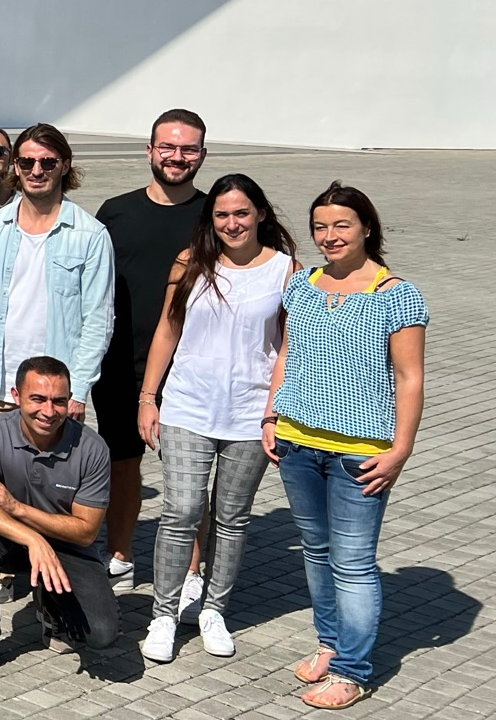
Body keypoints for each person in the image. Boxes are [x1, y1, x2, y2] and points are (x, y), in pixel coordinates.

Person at [270, 183, 426, 710]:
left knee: (354, 563)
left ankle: (353, 671)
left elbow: (409, 378)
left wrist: (401, 449)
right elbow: (287, 354)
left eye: (341, 224)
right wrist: (272, 415)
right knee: (317, 551)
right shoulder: (303, 284)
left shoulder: (396, 294)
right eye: (320, 226)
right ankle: (330, 644)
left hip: (361, 453)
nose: (329, 236)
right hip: (297, 443)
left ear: (366, 227)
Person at [135, 173, 296, 663]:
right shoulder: (191, 262)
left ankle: (213, 610)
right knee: (182, 510)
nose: (232, 223)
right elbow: (167, 329)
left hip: (250, 414)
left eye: (241, 213)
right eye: (222, 214)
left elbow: (287, 347)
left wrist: (273, 412)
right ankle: (164, 615)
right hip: (187, 406)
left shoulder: (285, 270)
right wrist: (148, 396)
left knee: (231, 518)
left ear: (260, 214)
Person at [93, 109, 210, 593]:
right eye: (168, 147)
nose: (176, 157)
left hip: (192, 369)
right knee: (122, 466)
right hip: (120, 365)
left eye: (187, 149)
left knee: (190, 478)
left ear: (202, 155)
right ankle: (120, 557)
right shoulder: (115, 212)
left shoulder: (215, 215)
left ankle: (191, 574)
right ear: (149, 151)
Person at [0, 356, 117, 684]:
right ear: (16, 396)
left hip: (67, 545)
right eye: (38, 399)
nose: (48, 411)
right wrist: (32, 538)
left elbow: (86, 531)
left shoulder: (92, 448)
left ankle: (51, 603)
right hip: (10, 540)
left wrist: (17, 507)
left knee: (101, 635)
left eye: (59, 401)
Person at [0, 123, 114, 423]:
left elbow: (98, 321)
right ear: (16, 166)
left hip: (56, 395)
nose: (36, 171)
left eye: (48, 162)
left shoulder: (90, 235)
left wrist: (79, 389)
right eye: (27, 162)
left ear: (65, 165)